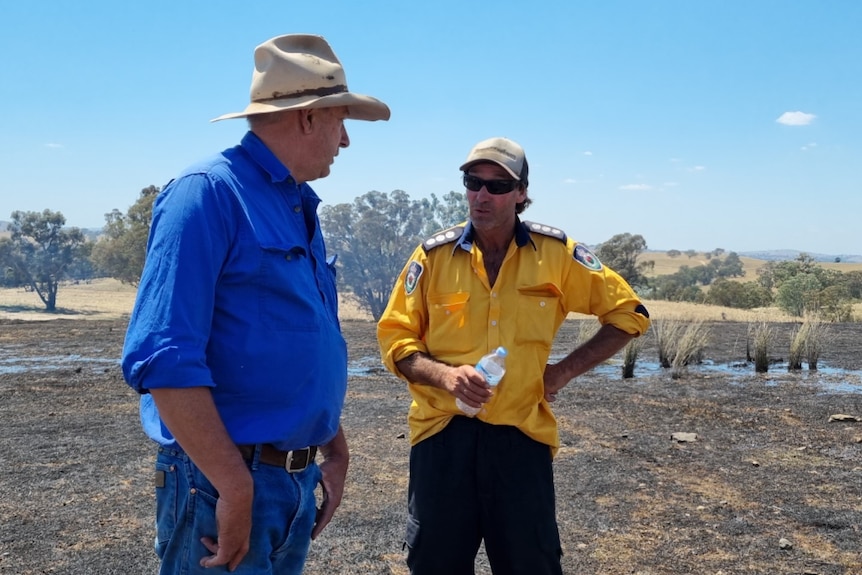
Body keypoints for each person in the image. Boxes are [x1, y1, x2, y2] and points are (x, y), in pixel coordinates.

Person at [121, 34, 389, 574]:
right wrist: (234, 485)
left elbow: (296, 340)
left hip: (287, 478)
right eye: (341, 121)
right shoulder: (207, 194)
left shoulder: (295, 206)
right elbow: (163, 358)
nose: (345, 141)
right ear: (308, 118)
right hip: (218, 482)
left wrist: (332, 446)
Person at [377, 137, 650, 574]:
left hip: (522, 441)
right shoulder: (432, 257)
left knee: (532, 566)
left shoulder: (557, 255)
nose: (482, 195)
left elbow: (629, 314)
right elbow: (396, 342)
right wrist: (446, 377)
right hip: (442, 438)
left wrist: (560, 373)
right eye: (473, 182)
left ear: (521, 192)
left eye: (498, 186)